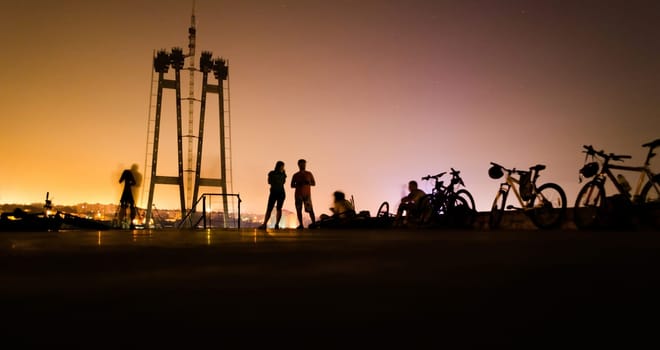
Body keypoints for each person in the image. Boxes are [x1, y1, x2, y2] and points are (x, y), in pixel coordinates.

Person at [258, 161, 286, 229]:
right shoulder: (283, 174)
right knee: (278, 209)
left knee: (270, 209)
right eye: (282, 166)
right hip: (280, 193)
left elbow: (269, 182)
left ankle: (265, 224)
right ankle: (276, 225)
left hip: (274, 192)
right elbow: (283, 182)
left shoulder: (272, 173)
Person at [291, 159, 316, 229]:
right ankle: (301, 224)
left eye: (304, 164)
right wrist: (298, 184)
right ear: (299, 165)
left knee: (310, 209)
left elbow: (314, 183)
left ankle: (314, 223)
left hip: (307, 195)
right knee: (299, 210)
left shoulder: (309, 174)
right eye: (302, 164)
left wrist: (308, 183)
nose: (303, 165)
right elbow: (292, 185)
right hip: (298, 195)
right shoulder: (295, 175)